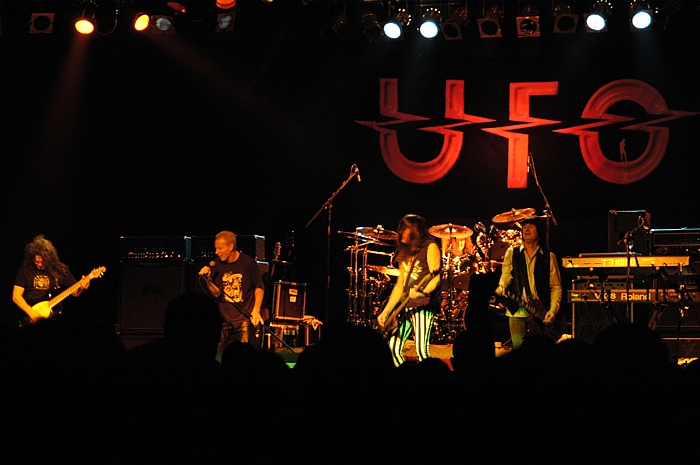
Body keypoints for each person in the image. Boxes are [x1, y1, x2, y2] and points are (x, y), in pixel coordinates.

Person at [377, 214, 442, 367]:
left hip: (423, 305)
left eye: (405, 228)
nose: (401, 232)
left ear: (415, 231)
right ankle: (405, 377)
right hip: (405, 305)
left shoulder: (430, 246)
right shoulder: (404, 251)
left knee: (421, 350)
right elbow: (400, 285)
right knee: (393, 349)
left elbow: (436, 278)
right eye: (401, 228)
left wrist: (423, 293)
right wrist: (386, 311)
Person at [494, 215, 564, 347]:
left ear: (539, 231)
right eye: (524, 226)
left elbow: (556, 286)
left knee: (540, 350)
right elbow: (506, 275)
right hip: (517, 309)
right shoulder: (512, 252)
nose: (526, 229)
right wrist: (502, 286)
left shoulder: (549, 257)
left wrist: (553, 311)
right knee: (519, 350)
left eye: (531, 226)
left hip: (540, 311)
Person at [198, 230, 265, 356]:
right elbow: (216, 293)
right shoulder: (217, 264)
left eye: (220, 248)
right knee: (217, 353)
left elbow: (259, 287)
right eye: (216, 248)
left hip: (244, 318)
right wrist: (208, 279)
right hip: (225, 318)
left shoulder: (248, 263)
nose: (216, 252)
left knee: (244, 355)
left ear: (231, 247)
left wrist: (256, 311)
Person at [12, 234, 91, 326]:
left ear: (49, 258)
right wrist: (31, 313)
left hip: (53, 319)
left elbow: (75, 293)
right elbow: (16, 296)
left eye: (43, 261)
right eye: (37, 262)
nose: (40, 264)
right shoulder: (26, 269)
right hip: (30, 319)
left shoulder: (60, 269)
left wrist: (83, 287)